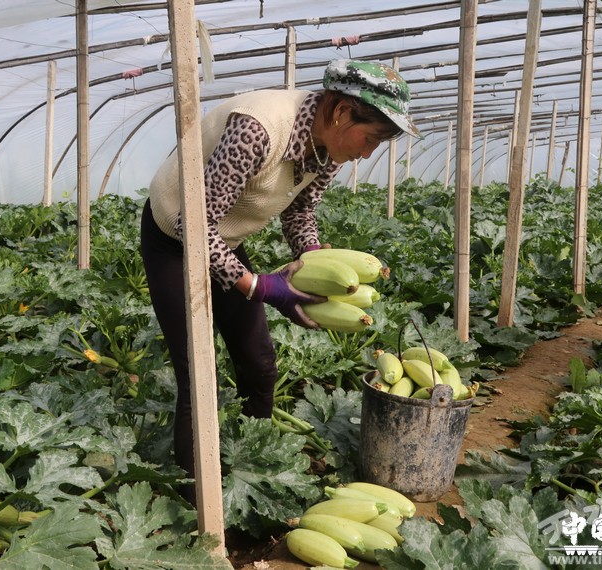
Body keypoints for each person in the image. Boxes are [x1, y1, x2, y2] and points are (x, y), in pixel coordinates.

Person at [139, 59, 420, 504]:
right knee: (198, 372)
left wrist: (314, 260)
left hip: (225, 239)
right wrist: (258, 286)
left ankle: (253, 461)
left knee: (260, 363)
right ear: (341, 112)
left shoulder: (327, 149)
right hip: (174, 238)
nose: (367, 153)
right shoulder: (257, 130)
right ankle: (198, 500)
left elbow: (300, 212)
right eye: (371, 139)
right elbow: (193, 223)